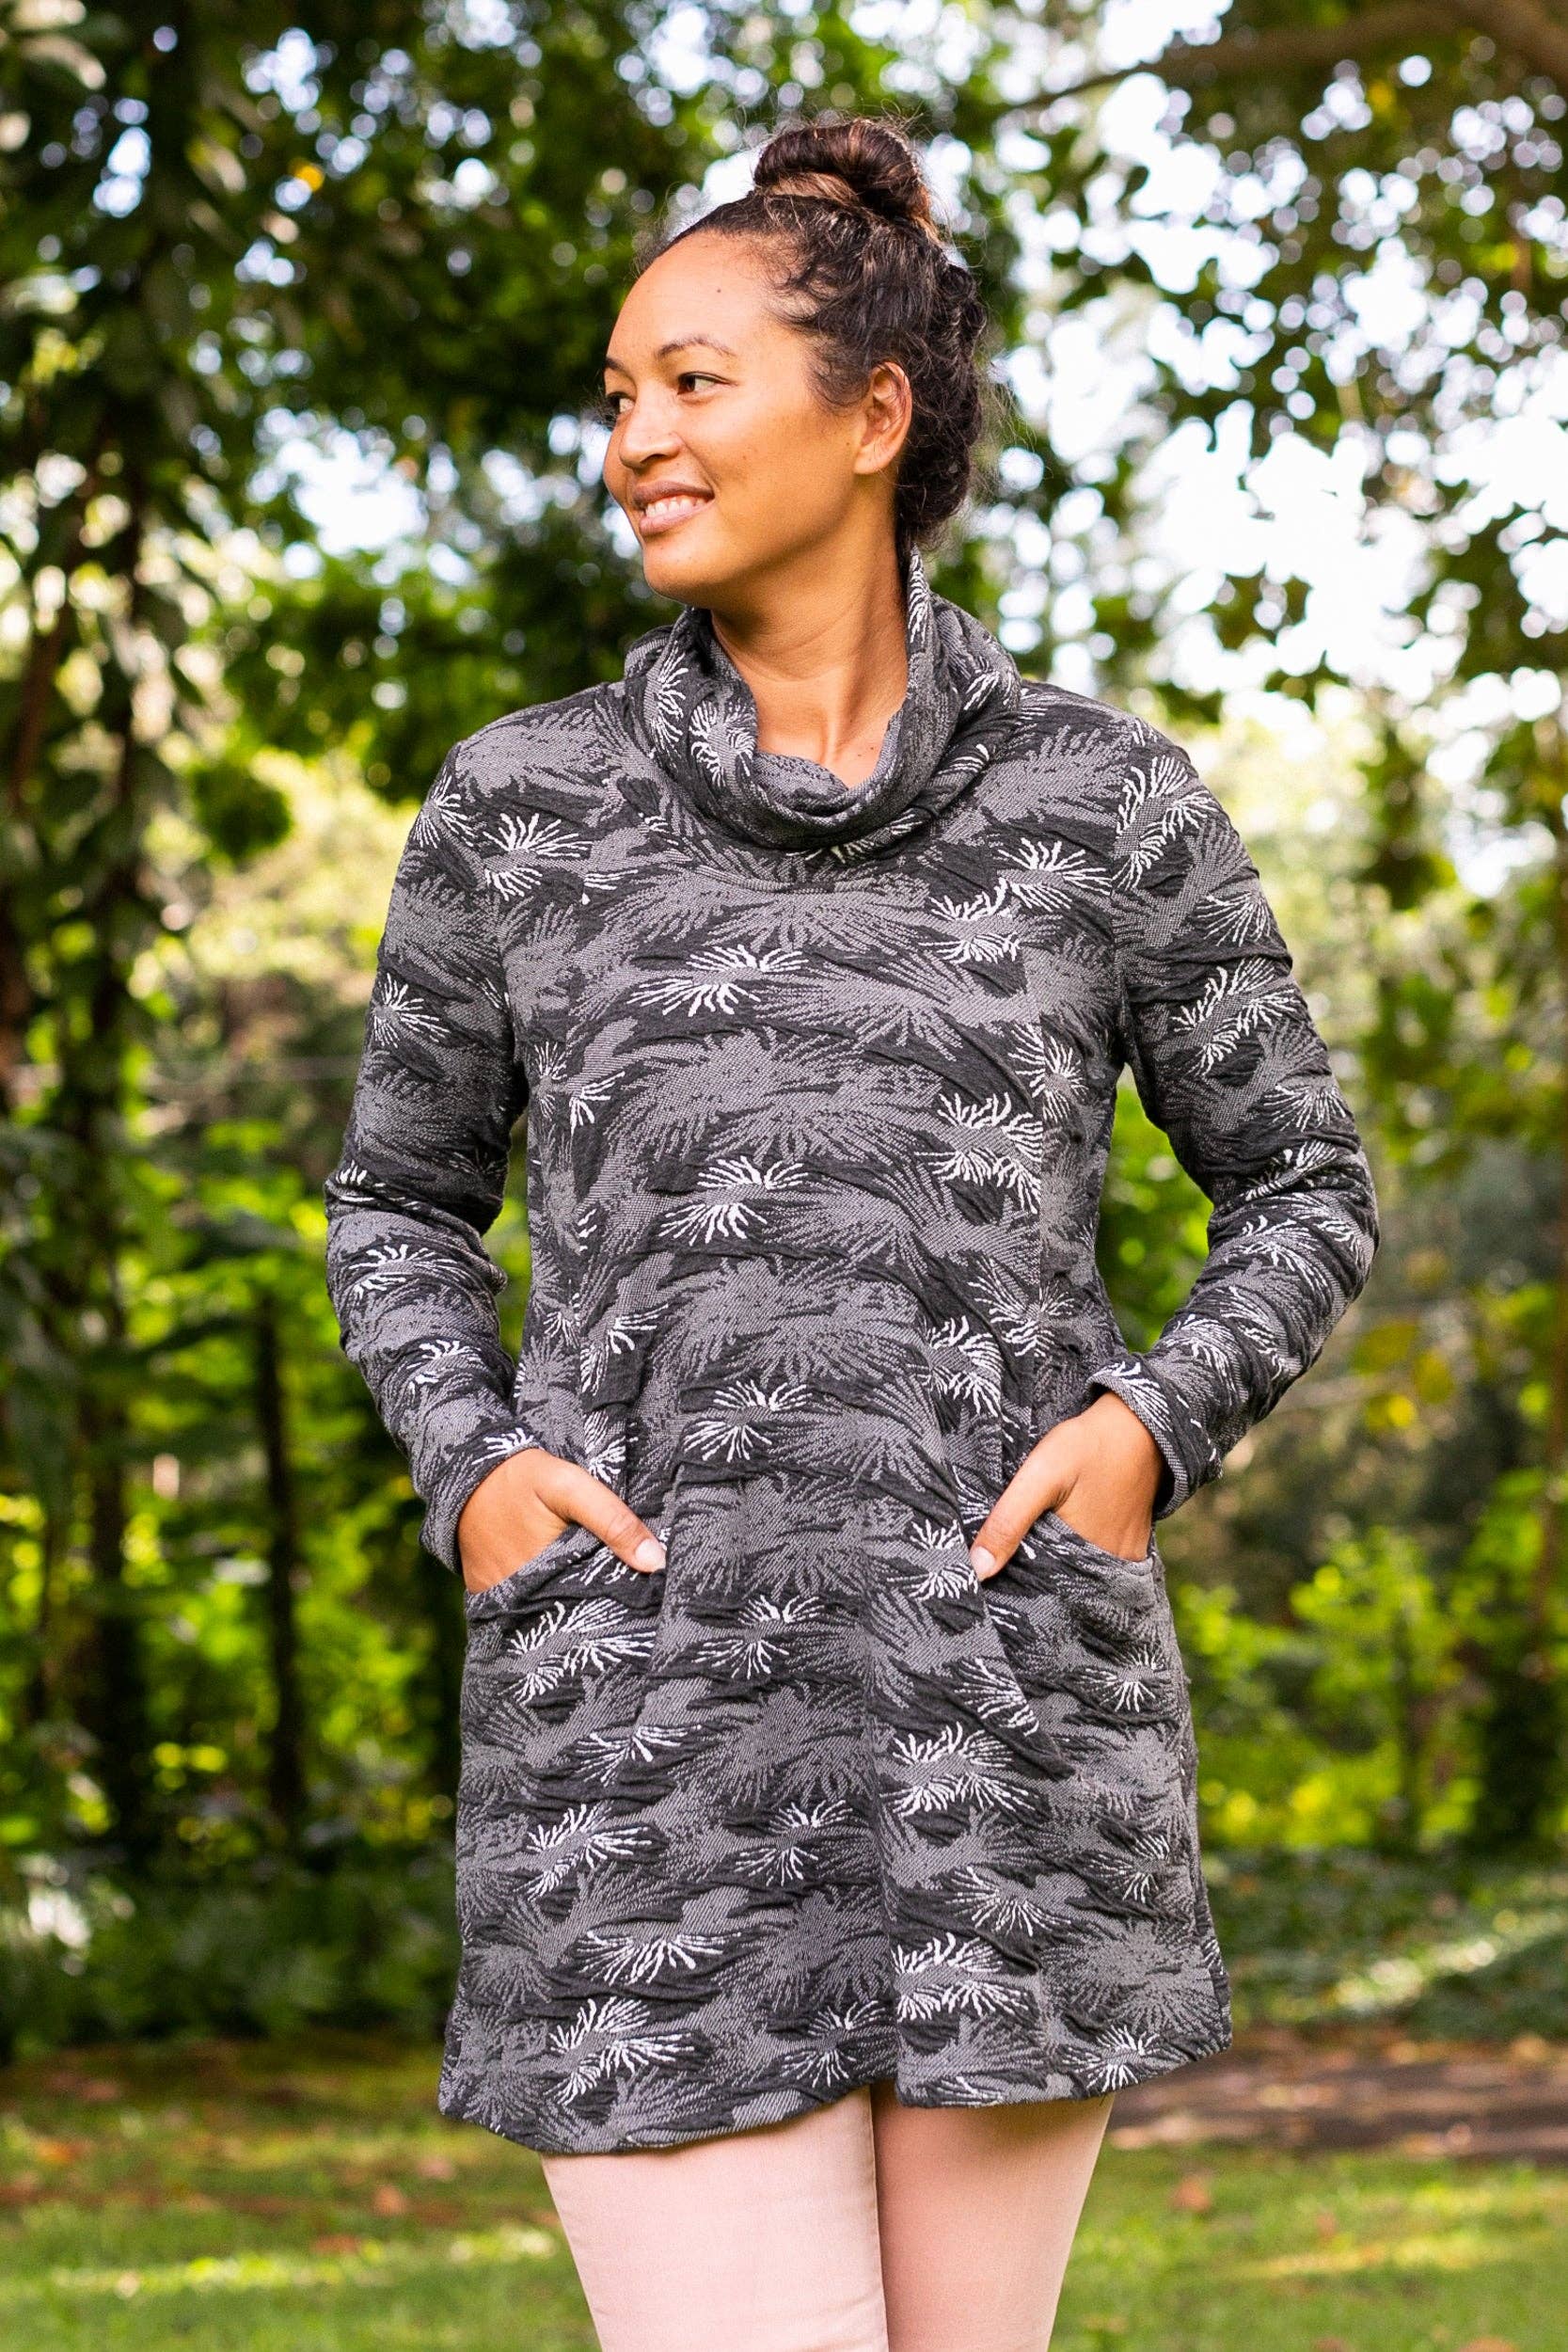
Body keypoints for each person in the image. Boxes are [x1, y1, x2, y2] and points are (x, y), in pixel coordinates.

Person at [323, 112, 1380, 2352]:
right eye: (618, 393)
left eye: (692, 382)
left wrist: (1147, 1431)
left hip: (1010, 1735)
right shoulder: (518, 809)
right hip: (642, 1739)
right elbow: (400, 1201)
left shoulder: (1104, 805)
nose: (634, 438)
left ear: (874, 412)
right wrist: (473, 1465)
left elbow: (1302, 1180)